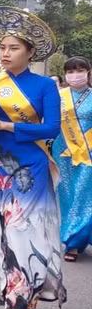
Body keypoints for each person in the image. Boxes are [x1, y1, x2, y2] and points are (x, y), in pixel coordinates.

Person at [0, 6, 65, 309]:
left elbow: (51, 129)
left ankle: (16, 303)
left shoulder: (44, 87)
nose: (6, 53)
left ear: (30, 52)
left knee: (21, 228)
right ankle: (19, 289)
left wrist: (7, 125)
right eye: (2, 48)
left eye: (14, 48)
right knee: (4, 230)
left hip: (30, 165)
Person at [52, 56, 92, 262]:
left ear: (88, 72)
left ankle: (73, 243)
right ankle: (75, 236)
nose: (75, 75)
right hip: (62, 152)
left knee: (83, 195)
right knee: (67, 195)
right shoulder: (58, 95)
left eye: (80, 71)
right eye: (70, 71)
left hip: (88, 153)